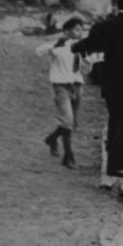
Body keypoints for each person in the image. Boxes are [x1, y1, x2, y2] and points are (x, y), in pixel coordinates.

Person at [72, 0, 123, 188]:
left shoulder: (105, 26)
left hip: (111, 84)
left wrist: (74, 46)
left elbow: (89, 44)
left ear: (117, 4)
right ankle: (117, 167)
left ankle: (112, 167)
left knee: (115, 121)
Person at [36, 17, 87, 168]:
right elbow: (38, 51)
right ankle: (68, 157)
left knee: (71, 122)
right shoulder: (59, 45)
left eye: (81, 29)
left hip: (77, 86)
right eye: (77, 29)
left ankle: (52, 139)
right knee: (67, 120)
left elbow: (90, 61)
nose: (80, 32)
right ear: (67, 30)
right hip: (61, 86)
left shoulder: (81, 46)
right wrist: (56, 43)